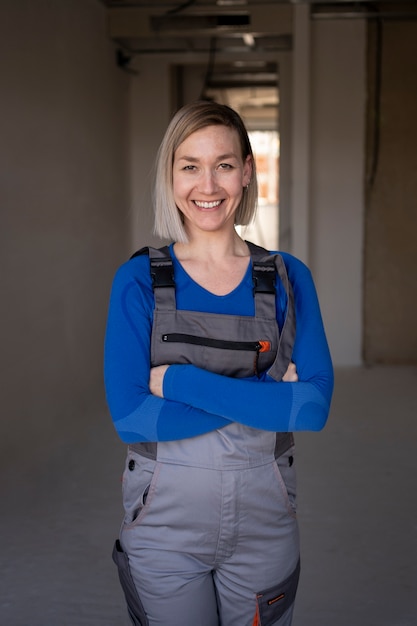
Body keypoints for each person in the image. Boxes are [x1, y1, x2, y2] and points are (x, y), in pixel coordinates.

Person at [104, 100, 334, 626]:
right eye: (190, 166)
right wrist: (270, 398)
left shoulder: (287, 277)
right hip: (163, 523)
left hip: (265, 520)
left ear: (247, 172)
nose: (207, 186)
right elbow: (132, 417)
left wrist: (179, 381)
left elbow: (312, 410)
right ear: (170, 174)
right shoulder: (138, 279)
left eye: (224, 165)